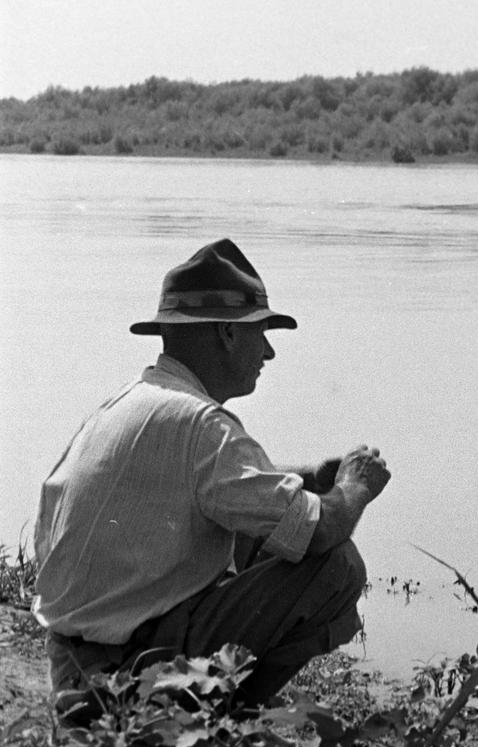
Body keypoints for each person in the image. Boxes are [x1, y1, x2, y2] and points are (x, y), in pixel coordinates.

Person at [31, 238, 391, 714]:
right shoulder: (202, 425)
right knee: (337, 565)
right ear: (227, 332)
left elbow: (204, 485)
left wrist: (306, 476)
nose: (267, 352)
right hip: (124, 676)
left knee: (255, 528)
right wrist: (354, 487)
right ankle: (218, 720)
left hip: (71, 665)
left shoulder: (133, 402)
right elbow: (322, 530)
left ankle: (189, 713)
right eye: (260, 333)